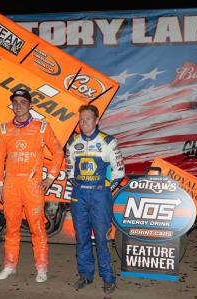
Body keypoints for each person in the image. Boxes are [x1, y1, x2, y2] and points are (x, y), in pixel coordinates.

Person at [0, 89, 64, 283]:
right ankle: (10, 265)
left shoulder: (42, 127)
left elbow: (58, 153)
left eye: (23, 102)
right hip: (11, 185)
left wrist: (50, 178)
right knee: (11, 227)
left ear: (30, 105)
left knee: (37, 227)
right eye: (15, 102)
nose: (18, 105)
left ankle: (41, 268)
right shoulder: (4, 128)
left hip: (33, 186)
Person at [65, 104, 125, 294]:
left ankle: (108, 277)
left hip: (100, 196)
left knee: (102, 239)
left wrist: (105, 189)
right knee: (81, 238)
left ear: (97, 120)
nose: (83, 123)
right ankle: (85, 275)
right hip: (79, 196)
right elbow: (69, 169)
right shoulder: (73, 142)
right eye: (81, 119)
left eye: (88, 119)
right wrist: (79, 186)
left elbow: (119, 171)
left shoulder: (108, 141)